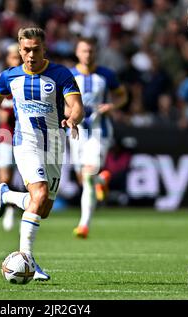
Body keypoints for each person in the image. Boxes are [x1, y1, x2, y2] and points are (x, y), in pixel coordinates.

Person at [0, 27, 84, 281]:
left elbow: (77, 106)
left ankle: (7, 194)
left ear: (44, 49)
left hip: (54, 143)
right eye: (26, 50)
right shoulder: (10, 76)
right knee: (40, 193)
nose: (30, 55)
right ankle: (27, 260)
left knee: (42, 208)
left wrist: (73, 119)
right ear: (20, 50)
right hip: (25, 142)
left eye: (35, 50)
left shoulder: (60, 74)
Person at [69, 37, 128, 239]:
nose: (88, 54)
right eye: (84, 51)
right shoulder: (69, 75)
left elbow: (122, 95)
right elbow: (61, 100)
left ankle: (84, 224)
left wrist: (112, 106)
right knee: (83, 179)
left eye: (91, 51)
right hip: (76, 132)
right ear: (77, 52)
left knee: (87, 174)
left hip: (99, 131)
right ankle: (101, 180)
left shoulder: (106, 75)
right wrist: (70, 111)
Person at [0, 43, 22, 231]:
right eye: (13, 57)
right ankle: (9, 208)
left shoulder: (29, 78)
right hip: (6, 133)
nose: (16, 61)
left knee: (28, 177)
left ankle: (16, 207)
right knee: (5, 175)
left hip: (27, 135)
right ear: (7, 59)